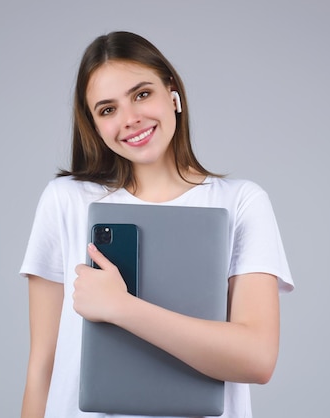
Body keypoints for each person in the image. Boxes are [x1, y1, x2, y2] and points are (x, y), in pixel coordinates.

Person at [19, 31, 294, 418]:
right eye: (107, 109)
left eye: (142, 94)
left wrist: (121, 308)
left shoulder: (242, 202)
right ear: (94, 125)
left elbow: (256, 358)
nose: (130, 120)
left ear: (173, 93)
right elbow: (41, 366)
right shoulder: (65, 201)